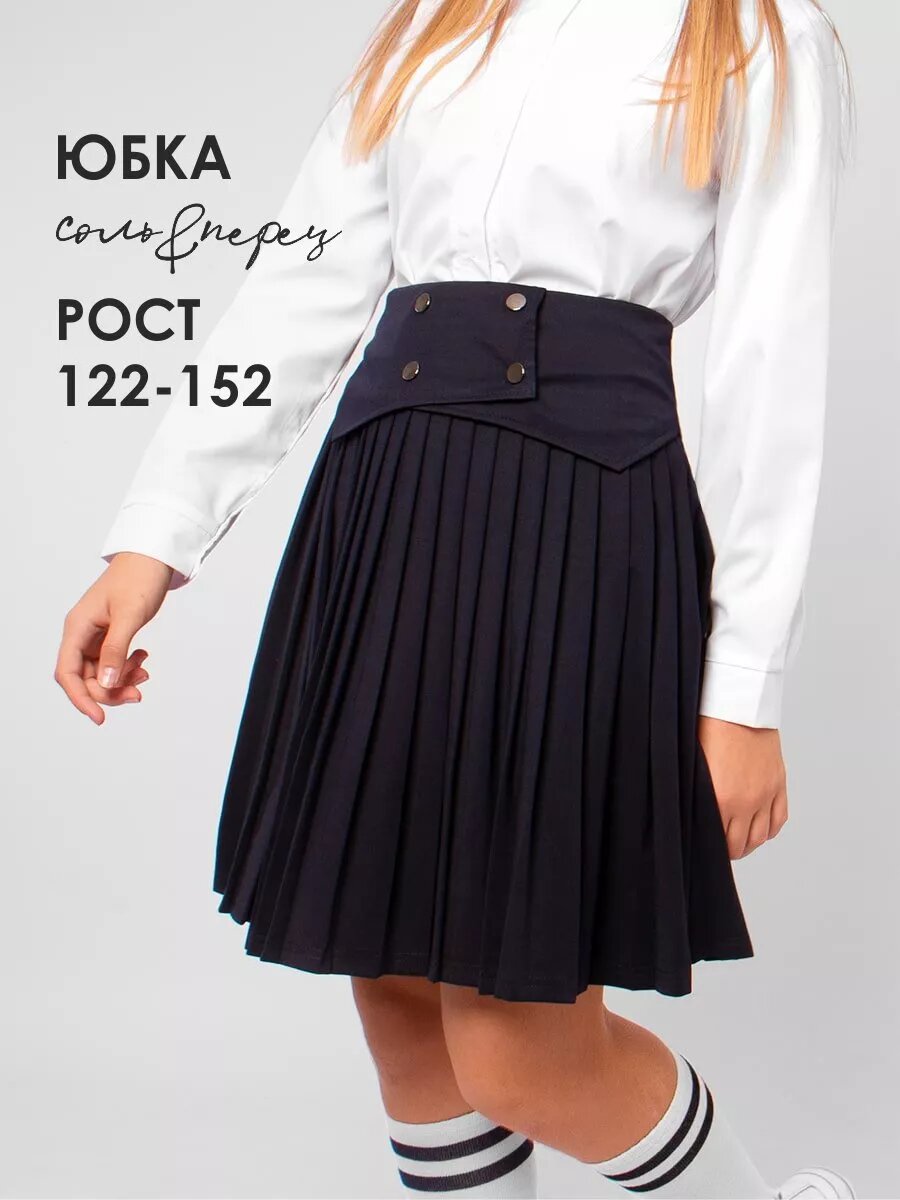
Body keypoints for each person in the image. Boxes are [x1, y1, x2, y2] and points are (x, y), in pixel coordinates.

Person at [55, 0, 856, 1196]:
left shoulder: (755, 32)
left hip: (581, 519)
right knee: (395, 990)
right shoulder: (440, 18)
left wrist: (744, 687)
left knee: (521, 1047)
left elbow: (767, 361)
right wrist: (154, 538)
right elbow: (305, 279)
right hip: (390, 499)